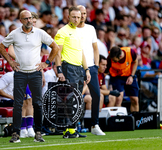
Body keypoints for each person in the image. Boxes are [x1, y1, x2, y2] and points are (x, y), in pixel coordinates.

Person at [0, 10, 59, 143]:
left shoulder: (39, 32)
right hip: (20, 72)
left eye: (30, 18)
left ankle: (38, 132)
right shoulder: (15, 33)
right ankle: (15, 134)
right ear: (20, 21)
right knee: (18, 104)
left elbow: (55, 47)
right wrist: (10, 62)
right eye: (25, 19)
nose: (29, 21)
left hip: (35, 72)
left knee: (37, 103)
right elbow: (1, 47)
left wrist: (46, 63)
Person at [54, 6, 91, 138]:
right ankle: (69, 130)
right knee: (69, 100)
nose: (76, 19)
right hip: (68, 68)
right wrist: (59, 70)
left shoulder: (78, 32)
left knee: (77, 99)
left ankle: (71, 129)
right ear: (68, 17)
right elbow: (57, 52)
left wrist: (86, 69)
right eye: (74, 17)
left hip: (78, 69)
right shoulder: (62, 31)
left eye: (79, 17)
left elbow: (81, 53)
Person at [77, 5, 105, 136]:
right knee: (75, 96)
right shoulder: (70, 30)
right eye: (80, 13)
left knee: (97, 95)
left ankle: (95, 125)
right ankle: (73, 126)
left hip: (91, 67)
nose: (82, 16)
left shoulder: (91, 28)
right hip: (76, 66)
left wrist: (97, 65)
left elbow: (95, 48)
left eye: (84, 13)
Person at [0, 71, 35, 138]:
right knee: (23, 100)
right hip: (3, 101)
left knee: (29, 99)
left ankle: (29, 128)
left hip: (13, 100)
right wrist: (12, 97)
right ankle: (23, 128)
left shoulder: (25, 78)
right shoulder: (8, 76)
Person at [106, 46, 139, 113]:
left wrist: (132, 76)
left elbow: (135, 62)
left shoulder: (131, 52)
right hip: (116, 77)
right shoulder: (110, 57)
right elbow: (105, 71)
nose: (113, 61)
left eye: (115, 60)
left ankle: (135, 119)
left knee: (135, 100)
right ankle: (118, 119)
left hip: (129, 76)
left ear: (120, 56)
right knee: (118, 99)